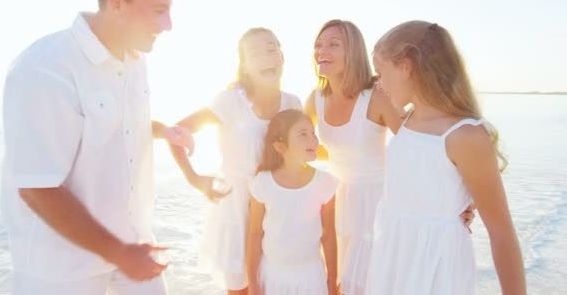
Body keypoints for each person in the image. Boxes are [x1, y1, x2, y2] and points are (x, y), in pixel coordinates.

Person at [1, 0, 185, 294]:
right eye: (158, 10)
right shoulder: (45, 69)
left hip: (134, 249)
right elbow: (37, 189)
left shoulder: (135, 58)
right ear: (116, 3)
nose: (168, 24)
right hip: (62, 272)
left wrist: (163, 130)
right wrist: (120, 253)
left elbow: (121, 126)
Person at [304, 19, 476, 294]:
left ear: (354, 53)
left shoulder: (376, 97)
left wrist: (460, 197)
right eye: (319, 45)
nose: (322, 50)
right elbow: (300, 146)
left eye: (333, 44)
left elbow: (419, 149)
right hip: (334, 203)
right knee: (334, 283)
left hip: (377, 205)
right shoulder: (315, 98)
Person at [366, 20, 526, 294]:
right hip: (393, 258)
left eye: (381, 72)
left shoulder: (465, 136)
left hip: (436, 268)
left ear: (407, 67)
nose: (379, 84)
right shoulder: (408, 119)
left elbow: (501, 231)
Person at [164, 28, 302, 294]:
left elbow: (305, 153)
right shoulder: (229, 101)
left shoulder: (293, 103)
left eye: (271, 49)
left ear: (282, 56)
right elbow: (175, 133)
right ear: (245, 66)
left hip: (278, 210)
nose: (266, 57)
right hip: (237, 209)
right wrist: (194, 178)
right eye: (255, 53)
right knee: (240, 289)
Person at [246, 109, 339, 295]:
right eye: (303, 134)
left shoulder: (325, 182)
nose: (313, 139)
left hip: (311, 277)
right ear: (280, 146)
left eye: (313, 133)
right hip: (273, 276)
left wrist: (331, 282)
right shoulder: (263, 183)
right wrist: (252, 283)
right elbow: (255, 234)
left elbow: (329, 236)